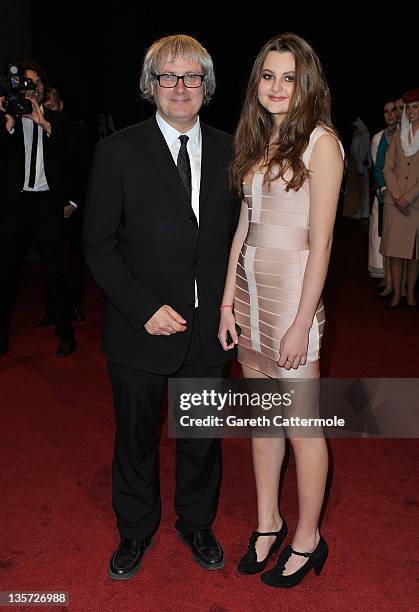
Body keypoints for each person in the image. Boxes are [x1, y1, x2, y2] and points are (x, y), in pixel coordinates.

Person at [84, 34, 240, 580]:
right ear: (151, 86)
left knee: (201, 438)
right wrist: (142, 307)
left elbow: (241, 239)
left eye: (191, 77)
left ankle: (196, 522)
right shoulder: (118, 151)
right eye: (168, 77)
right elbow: (98, 246)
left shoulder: (231, 150)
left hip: (207, 331)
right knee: (134, 439)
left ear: (207, 86)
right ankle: (135, 530)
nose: (180, 87)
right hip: (138, 329)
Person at [219, 32, 344, 588]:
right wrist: (227, 301)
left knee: (302, 427)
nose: (276, 86)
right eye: (268, 76)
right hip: (250, 292)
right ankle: (268, 522)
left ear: (305, 83)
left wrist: (301, 322)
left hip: (294, 296)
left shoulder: (322, 143)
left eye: (288, 77)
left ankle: (308, 537)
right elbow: (243, 228)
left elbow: (322, 243)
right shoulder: (256, 140)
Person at [0, 60, 77, 357]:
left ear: (43, 90)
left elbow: (74, 159)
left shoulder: (59, 121)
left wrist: (45, 124)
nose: (28, 89)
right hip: (15, 206)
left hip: (47, 204)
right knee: (6, 272)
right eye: (24, 84)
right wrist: (7, 122)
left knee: (55, 272)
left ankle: (65, 333)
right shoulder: (9, 119)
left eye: (34, 84)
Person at [36, 85, 89, 324]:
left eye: (50, 107)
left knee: (75, 260)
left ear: (60, 106)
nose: (47, 112)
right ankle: (53, 310)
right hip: (49, 206)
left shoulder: (75, 130)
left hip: (75, 206)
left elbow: (84, 169)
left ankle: (75, 305)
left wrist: (74, 203)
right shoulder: (35, 130)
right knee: (50, 262)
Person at [380, 88, 419, 310]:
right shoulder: (397, 136)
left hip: (415, 205)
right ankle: (396, 293)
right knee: (395, 253)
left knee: (413, 255)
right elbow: (387, 168)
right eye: (408, 108)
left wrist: (408, 197)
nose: (410, 111)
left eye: (415, 107)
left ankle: (410, 294)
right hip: (395, 204)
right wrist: (397, 197)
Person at [369, 99, 397, 281]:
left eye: (393, 110)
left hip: (404, 195)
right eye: (386, 112)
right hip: (384, 194)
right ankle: (384, 275)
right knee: (381, 236)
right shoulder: (378, 138)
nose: (390, 115)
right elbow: (377, 167)